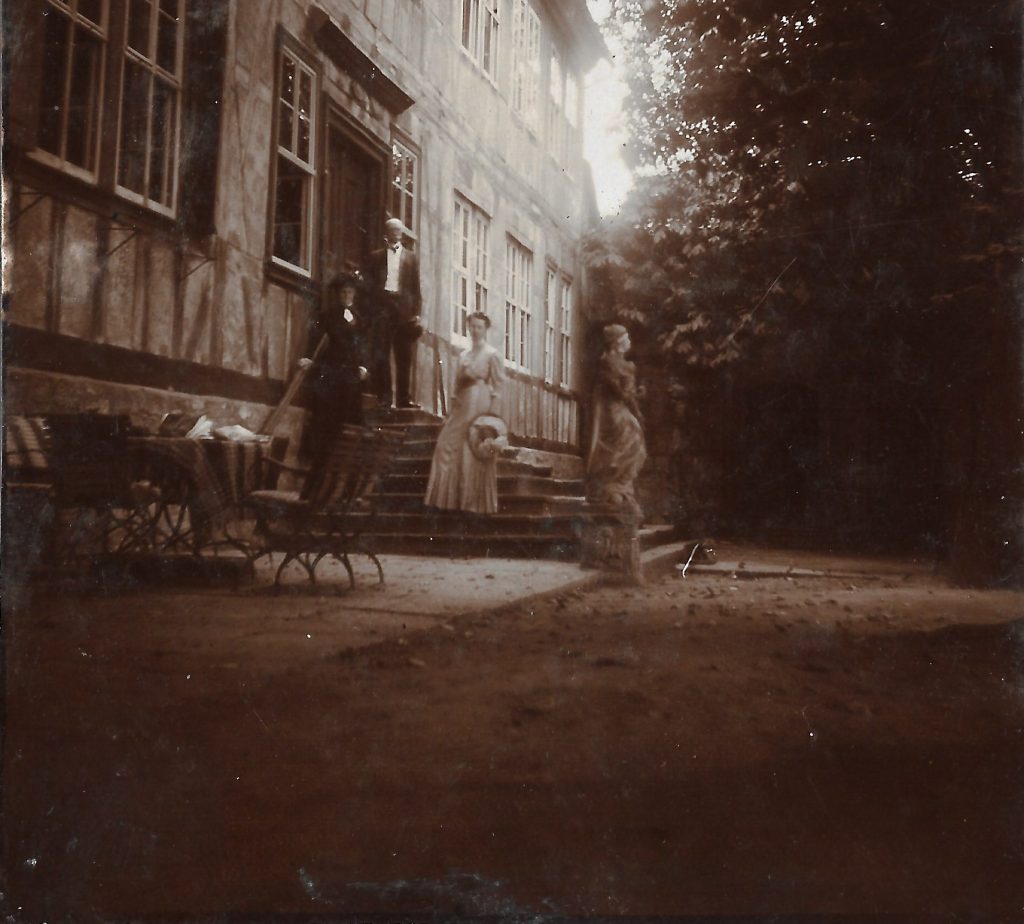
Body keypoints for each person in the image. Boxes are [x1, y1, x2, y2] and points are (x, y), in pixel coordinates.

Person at [425, 311, 505, 514]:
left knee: (472, 448)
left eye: (479, 327)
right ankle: (449, 500)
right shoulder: (463, 355)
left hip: (480, 402)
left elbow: (498, 386)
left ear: (485, 329)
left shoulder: (491, 354)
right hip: (463, 403)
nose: (475, 330)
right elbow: (456, 384)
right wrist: (452, 405)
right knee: (446, 445)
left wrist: (491, 417)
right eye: (472, 326)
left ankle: (473, 503)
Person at [297, 272, 368, 465]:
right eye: (343, 293)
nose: (346, 296)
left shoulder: (359, 319)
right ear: (338, 295)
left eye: (350, 293)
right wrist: (308, 357)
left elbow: (363, 345)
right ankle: (323, 457)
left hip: (352, 372)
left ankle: (345, 459)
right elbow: (316, 337)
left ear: (354, 295)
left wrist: (363, 366)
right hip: (332, 369)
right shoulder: (327, 316)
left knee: (350, 415)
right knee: (328, 414)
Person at [586, 323, 647, 517]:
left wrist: (637, 395)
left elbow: (628, 392)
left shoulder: (627, 364)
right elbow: (617, 390)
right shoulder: (609, 361)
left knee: (634, 442)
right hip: (612, 410)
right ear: (618, 342)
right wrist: (632, 402)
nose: (629, 341)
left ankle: (622, 485)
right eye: (626, 338)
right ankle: (613, 486)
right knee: (628, 438)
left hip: (622, 407)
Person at [365, 217, 423, 409]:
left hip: (403, 310)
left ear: (401, 234)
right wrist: (374, 307)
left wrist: (417, 312)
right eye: (392, 230)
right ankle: (385, 397)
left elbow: (415, 287)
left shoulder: (411, 258)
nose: (395, 233)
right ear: (387, 232)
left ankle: (403, 399)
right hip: (383, 306)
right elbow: (370, 286)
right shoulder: (376, 257)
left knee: (404, 355)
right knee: (382, 352)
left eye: (398, 231)